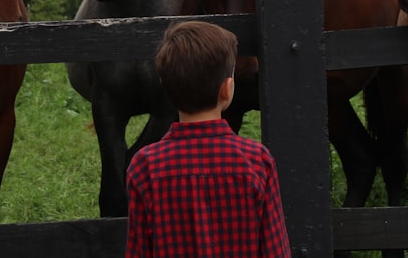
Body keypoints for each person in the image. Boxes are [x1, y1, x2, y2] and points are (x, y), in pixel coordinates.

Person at [125, 20, 291, 257]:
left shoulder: (145, 166)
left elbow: (138, 252)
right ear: (227, 89)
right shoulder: (256, 161)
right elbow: (275, 251)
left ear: (166, 87)